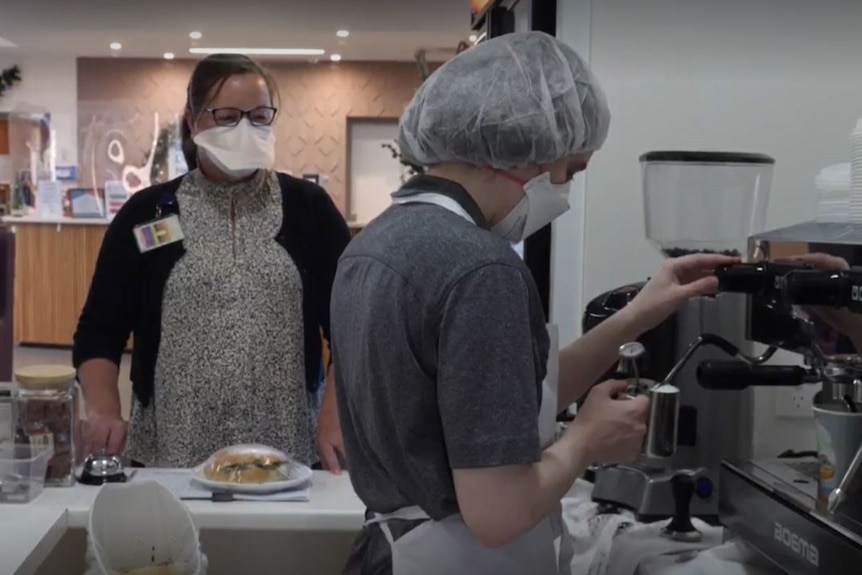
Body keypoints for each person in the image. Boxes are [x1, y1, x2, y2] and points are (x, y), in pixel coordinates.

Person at [329, 31, 738, 575]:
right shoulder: (481, 268)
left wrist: (643, 309)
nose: (565, 192)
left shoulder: (377, 243)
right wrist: (586, 441)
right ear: (527, 154)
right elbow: (499, 512)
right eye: (572, 171)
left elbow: (498, 402)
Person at [73, 54, 351, 471]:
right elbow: (99, 331)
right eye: (226, 117)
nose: (244, 129)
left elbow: (351, 329)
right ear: (192, 119)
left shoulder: (308, 210)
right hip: (174, 453)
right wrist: (104, 411)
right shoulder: (149, 214)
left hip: (287, 453)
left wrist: (334, 415)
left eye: (258, 117)